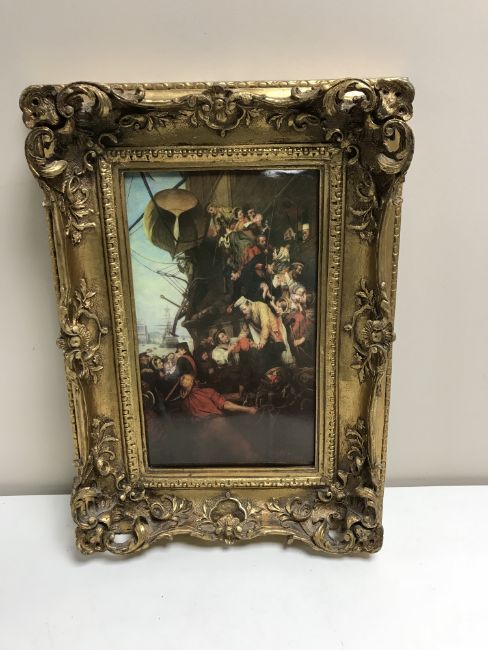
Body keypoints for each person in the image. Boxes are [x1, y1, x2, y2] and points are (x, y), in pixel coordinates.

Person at [179, 374, 257, 419]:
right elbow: (227, 405)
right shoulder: (207, 391)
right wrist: (249, 409)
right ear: (195, 382)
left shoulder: (184, 402)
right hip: (216, 423)